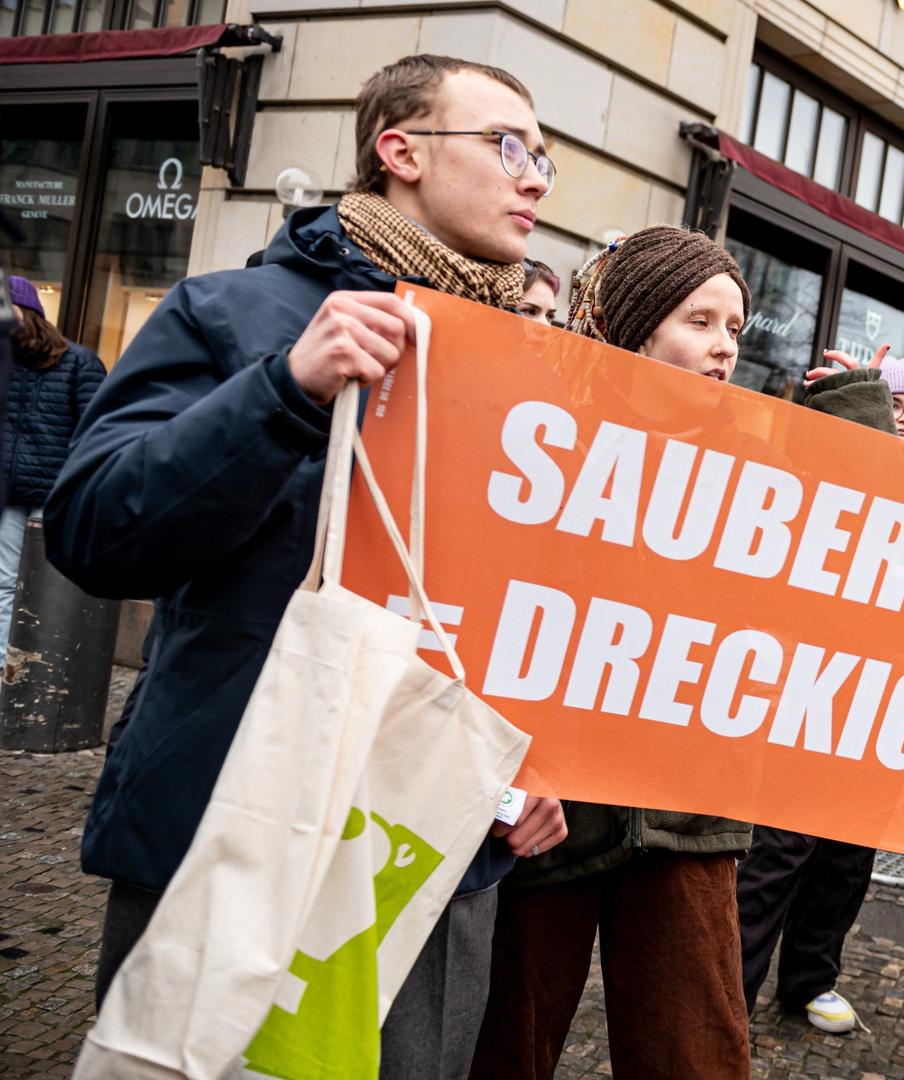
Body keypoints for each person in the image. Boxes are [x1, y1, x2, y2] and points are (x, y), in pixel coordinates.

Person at [45, 54, 568, 1077]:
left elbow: (541, 610)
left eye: (544, 156)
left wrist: (543, 768)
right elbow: (97, 531)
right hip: (230, 821)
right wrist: (282, 392)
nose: (537, 177)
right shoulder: (231, 315)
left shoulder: (535, 377)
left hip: (425, 853)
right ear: (400, 150)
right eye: (509, 145)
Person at [473, 224, 879, 1078]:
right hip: (548, 809)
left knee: (694, 1049)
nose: (723, 348)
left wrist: (855, 432)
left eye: (734, 329)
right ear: (636, 323)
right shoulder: (543, 441)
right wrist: (505, 779)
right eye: (699, 322)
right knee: (506, 1040)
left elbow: (858, 583)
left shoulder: (752, 467)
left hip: (688, 809)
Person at [732, 344, 904, 1036]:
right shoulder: (838, 465)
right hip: (811, 687)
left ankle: (810, 979)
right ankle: (728, 995)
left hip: (885, 700)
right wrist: (852, 411)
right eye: (891, 405)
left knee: (846, 857)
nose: (902, 420)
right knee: (778, 848)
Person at [2, 276, 103, 639]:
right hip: (10, 495)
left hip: (57, 495)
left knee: (50, 586)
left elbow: (97, 429)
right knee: (4, 581)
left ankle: (41, 669)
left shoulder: (78, 362)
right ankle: (2, 669)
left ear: (28, 312)